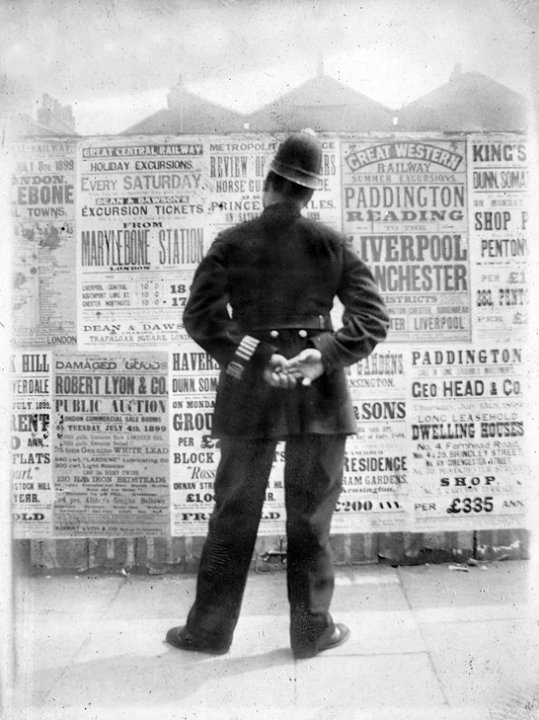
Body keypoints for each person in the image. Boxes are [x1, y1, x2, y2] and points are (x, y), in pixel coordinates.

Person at [166, 131, 390, 659]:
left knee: (233, 513)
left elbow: (199, 318)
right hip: (319, 392)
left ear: (268, 182)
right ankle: (312, 631)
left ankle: (209, 632)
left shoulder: (231, 242)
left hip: (250, 393)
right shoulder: (331, 243)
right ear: (308, 194)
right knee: (311, 517)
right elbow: (373, 319)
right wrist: (323, 354)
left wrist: (259, 361)